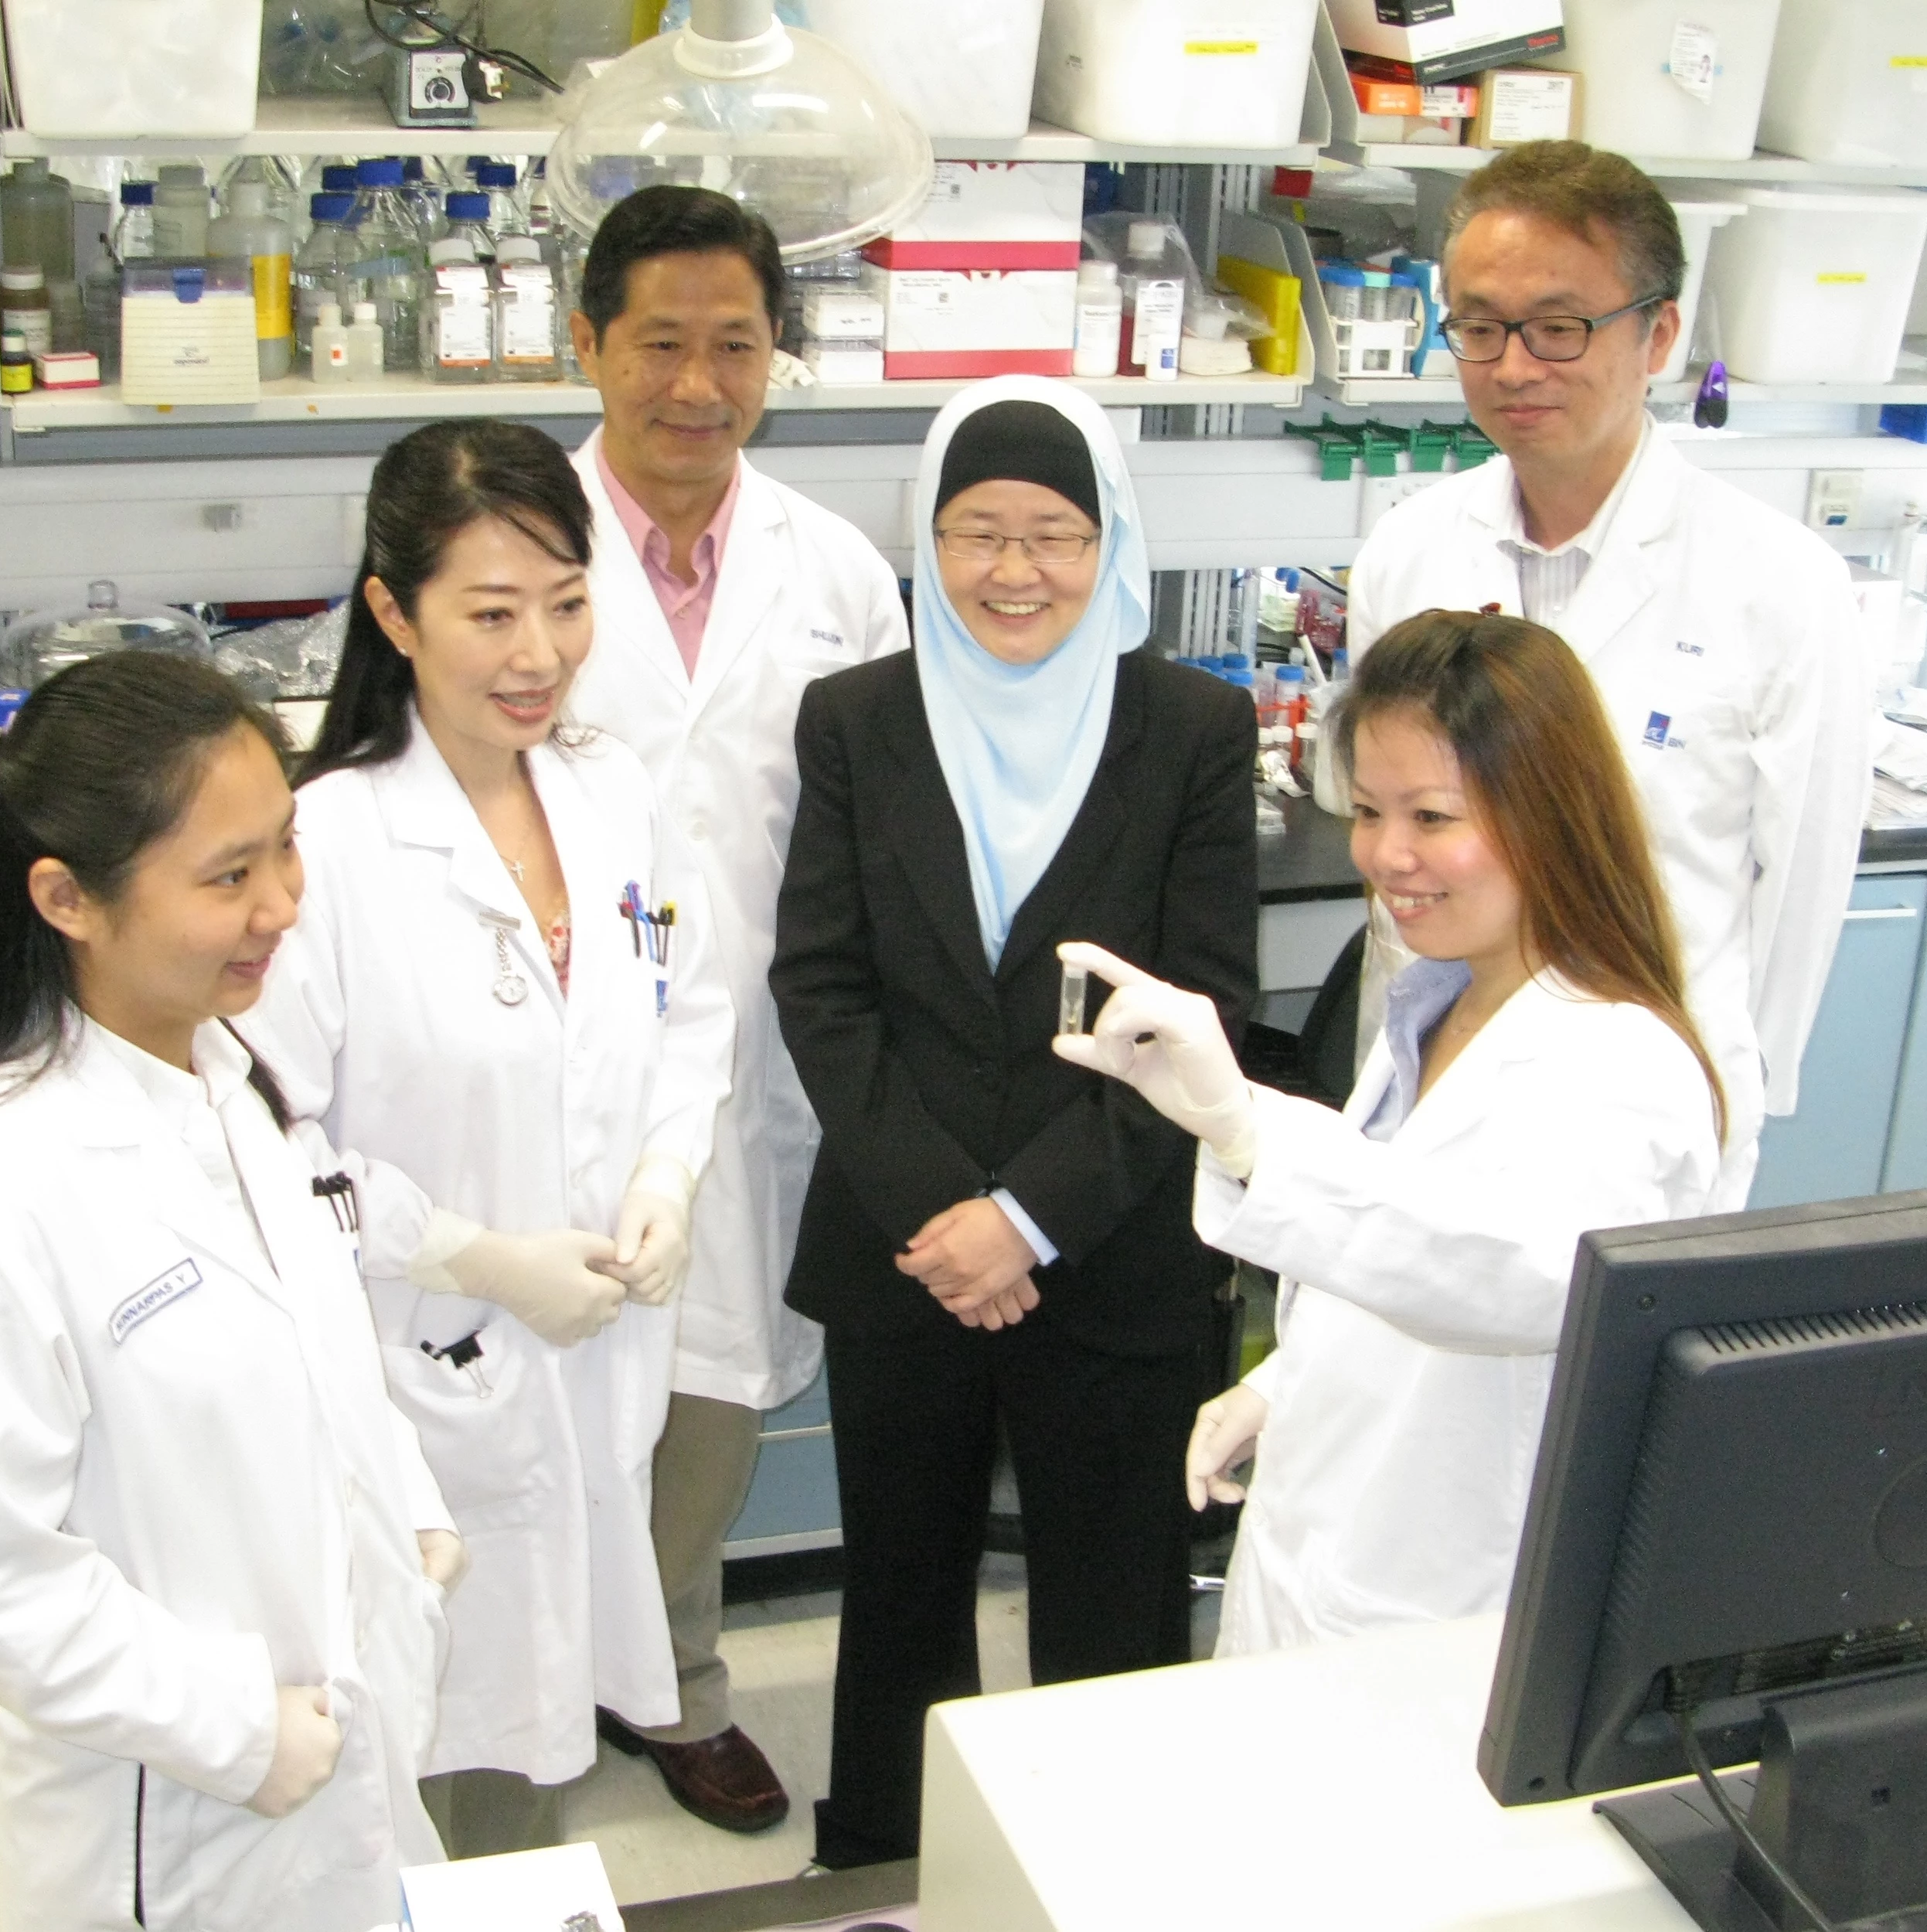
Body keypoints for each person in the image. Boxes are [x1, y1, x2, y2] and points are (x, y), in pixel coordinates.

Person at [0, 653, 462, 1932]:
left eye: (284, 850)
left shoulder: (228, 1077)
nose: (283, 905)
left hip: (346, 1753)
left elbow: (311, 1340)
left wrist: (402, 1499)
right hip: (179, 1817)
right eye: (228, 876)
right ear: (67, 897)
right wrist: (237, 1727)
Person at [771, 377, 1261, 1868]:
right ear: (927, 541)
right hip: (904, 1247)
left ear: (1108, 545)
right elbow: (823, 981)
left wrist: (1028, 1217)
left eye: (1052, 534)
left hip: (1111, 1244)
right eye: (976, 532)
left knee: (1113, 1588)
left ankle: (1101, 1869)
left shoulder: (1191, 727)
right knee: (900, 1580)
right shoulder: (855, 720)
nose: (1011, 570)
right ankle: (889, 1861)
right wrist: (946, 1217)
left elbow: (1204, 1008)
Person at [240, 419, 734, 1856]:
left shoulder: (609, 789)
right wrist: (478, 1256)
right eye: (491, 613)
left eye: (567, 604)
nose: (540, 652)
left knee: (539, 1728)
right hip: (417, 1369)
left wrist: (665, 1174)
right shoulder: (320, 845)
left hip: (596, 1357)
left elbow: (685, 1011)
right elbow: (270, 1151)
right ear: (394, 615)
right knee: (417, 1738)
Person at [1056, 609, 1722, 1657]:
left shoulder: (1622, 1066)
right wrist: (1280, 1382)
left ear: (1549, 813)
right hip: (1323, 1538)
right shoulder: (1437, 999)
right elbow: (1389, 1250)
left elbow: (1519, 1277)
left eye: (1432, 814)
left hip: (1447, 1599)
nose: (1387, 855)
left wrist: (1247, 1134)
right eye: (1368, 810)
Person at [563, 183, 908, 1830]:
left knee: (704, 1392)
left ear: (779, 357)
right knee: (545, 1382)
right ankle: (530, 1683)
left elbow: (885, 823)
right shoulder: (518, 548)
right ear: (588, 347)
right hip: (554, 1038)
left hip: (763, 1049)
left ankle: (670, 1682)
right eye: (660, 345)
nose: (697, 385)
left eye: (736, 346)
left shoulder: (834, 570)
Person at [1350, 141, 1873, 1211]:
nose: (1512, 366)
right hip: (1439, 1084)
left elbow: (1799, 893)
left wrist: (1735, 1095)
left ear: (1659, 334)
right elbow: (1393, 860)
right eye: (1480, 326)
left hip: (1647, 1119)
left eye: (1558, 326)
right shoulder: (1406, 553)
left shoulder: (1780, 586)